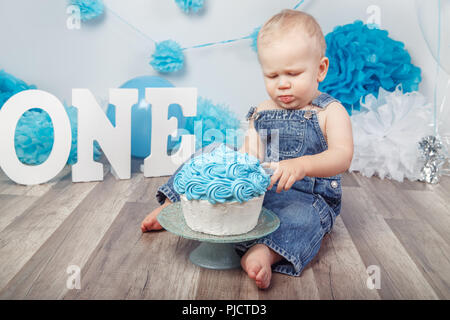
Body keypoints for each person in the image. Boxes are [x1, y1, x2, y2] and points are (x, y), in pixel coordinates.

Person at [141, 9, 354, 290]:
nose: (283, 84)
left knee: (304, 220)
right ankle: (174, 205)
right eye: (272, 75)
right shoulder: (263, 110)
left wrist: (302, 165)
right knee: (212, 151)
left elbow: (342, 156)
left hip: (307, 195)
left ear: (321, 69)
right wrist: (240, 168)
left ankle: (266, 252)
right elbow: (251, 153)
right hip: (261, 190)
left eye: (293, 73)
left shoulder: (330, 112)